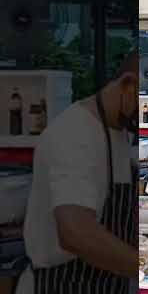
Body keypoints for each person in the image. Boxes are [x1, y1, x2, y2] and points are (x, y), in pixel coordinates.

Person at [17, 53, 139, 294]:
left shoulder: (119, 128)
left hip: (107, 282)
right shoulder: (76, 133)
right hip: (62, 284)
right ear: (127, 83)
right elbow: (75, 233)